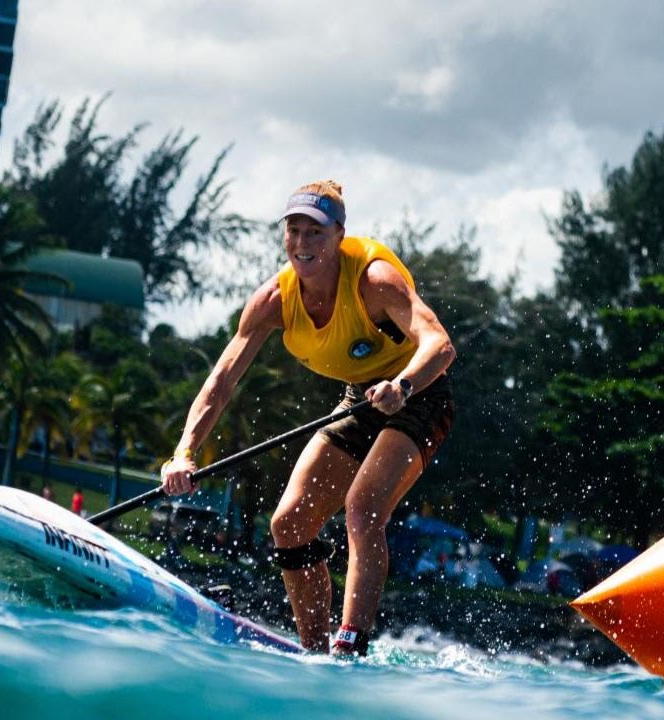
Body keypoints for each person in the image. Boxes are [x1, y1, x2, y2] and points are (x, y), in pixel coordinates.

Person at [161, 180, 456, 656]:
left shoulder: (374, 282)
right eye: (293, 231)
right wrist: (183, 454)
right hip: (360, 400)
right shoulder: (273, 301)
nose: (302, 244)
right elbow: (221, 382)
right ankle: (315, 651)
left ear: (339, 235)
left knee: (362, 508)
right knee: (289, 523)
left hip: (419, 396)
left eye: (315, 233)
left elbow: (439, 344)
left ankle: (351, 645)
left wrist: (401, 386)